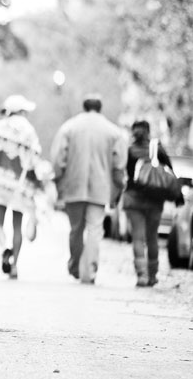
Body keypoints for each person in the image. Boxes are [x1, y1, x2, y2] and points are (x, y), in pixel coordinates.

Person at [50, 94, 127, 284]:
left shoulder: (69, 127)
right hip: (100, 189)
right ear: (100, 108)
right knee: (95, 230)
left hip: (73, 187)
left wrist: (59, 180)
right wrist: (118, 187)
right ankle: (89, 273)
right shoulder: (113, 132)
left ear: (84, 107)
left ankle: (75, 266)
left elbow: (58, 158)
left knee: (76, 229)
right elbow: (119, 165)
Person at [0, 94, 45, 280]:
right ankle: (14, 266)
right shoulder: (29, 130)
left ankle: (4, 248)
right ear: (22, 111)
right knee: (17, 226)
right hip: (19, 186)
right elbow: (34, 160)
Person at [121, 120, 182, 287]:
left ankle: (141, 275)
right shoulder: (157, 148)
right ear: (148, 131)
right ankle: (153, 275)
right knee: (152, 237)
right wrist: (177, 196)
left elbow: (125, 174)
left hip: (133, 199)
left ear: (134, 132)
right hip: (155, 201)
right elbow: (169, 171)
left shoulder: (129, 151)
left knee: (138, 238)